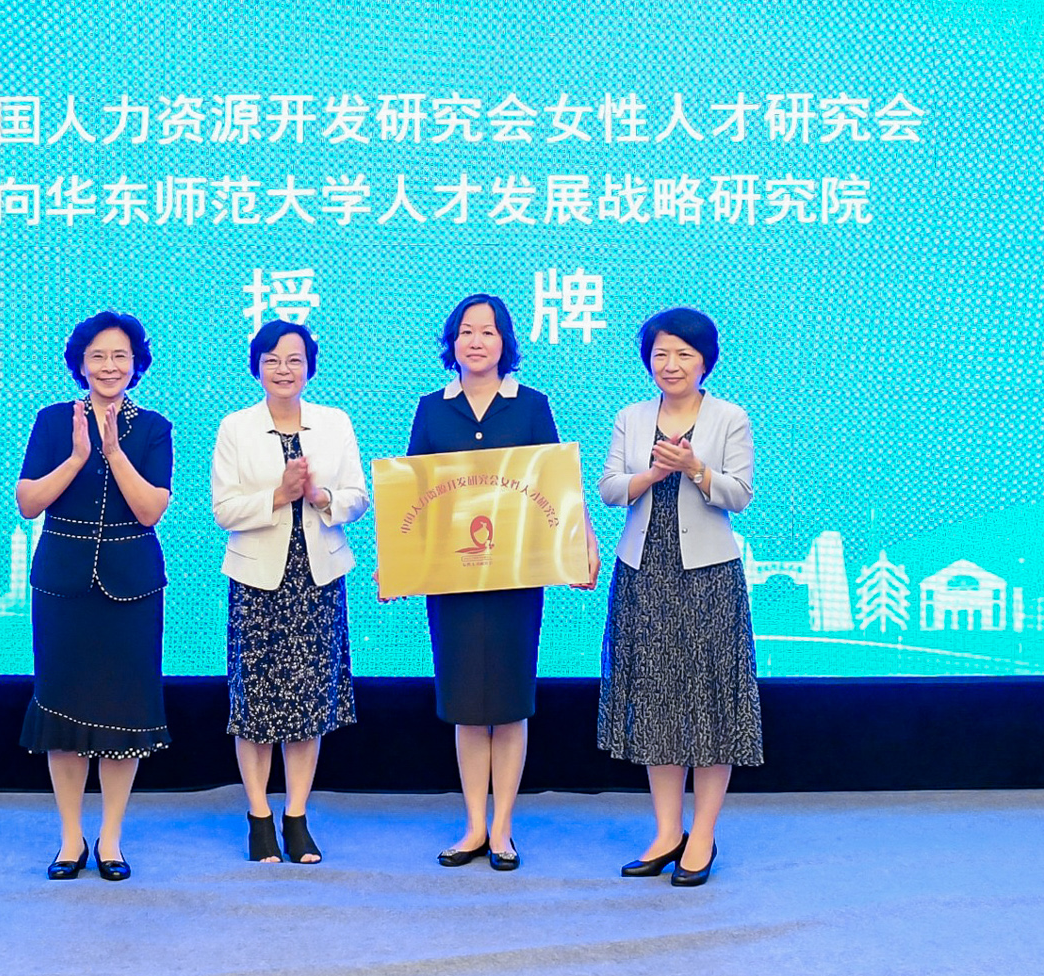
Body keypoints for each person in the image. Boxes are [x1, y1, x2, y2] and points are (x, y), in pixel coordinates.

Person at [404, 293, 599, 872]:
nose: (476, 341)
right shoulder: (432, 409)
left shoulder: (531, 405)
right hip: (453, 580)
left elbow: (561, 486)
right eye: (466, 331)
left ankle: (503, 829)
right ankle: (472, 825)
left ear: (504, 342)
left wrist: (582, 546)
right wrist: (400, 563)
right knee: (466, 705)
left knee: (510, 704)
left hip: (517, 578)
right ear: (453, 342)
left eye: (488, 331)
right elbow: (410, 495)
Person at [596, 308, 761, 887]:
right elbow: (610, 488)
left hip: (709, 578)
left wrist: (694, 467)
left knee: (712, 705)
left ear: (705, 361)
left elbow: (740, 494)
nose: (671, 364)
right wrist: (651, 474)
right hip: (644, 573)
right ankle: (668, 833)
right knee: (657, 704)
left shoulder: (729, 417)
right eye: (661, 354)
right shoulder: (632, 417)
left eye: (684, 354)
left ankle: (703, 836)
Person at [14, 311, 174, 883]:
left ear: (136, 365)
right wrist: (79, 457)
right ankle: (69, 838)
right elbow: (28, 502)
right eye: (98, 356)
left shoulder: (153, 428)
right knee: (61, 710)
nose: (109, 366)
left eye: (120, 356)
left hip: (133, 587)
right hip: (63, 584)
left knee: (123, 714)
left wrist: (114, 452)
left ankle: (110, 839)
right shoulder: (53, 421)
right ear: (80, 364)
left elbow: (151, 509)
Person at [211, 320, 370, 865]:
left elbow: (358, 497)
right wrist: (278, 495)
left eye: (295, 359)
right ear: (257, 367)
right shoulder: (236, 427)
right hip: (256, 581)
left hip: (317, 579)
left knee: (308, 703)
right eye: (272, 360)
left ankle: (297, 816)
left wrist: (322, 496)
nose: (284, 369)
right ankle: (259, 817)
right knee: (254, 704)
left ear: (310, 368)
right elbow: (224, 510)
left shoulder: (334, 423)